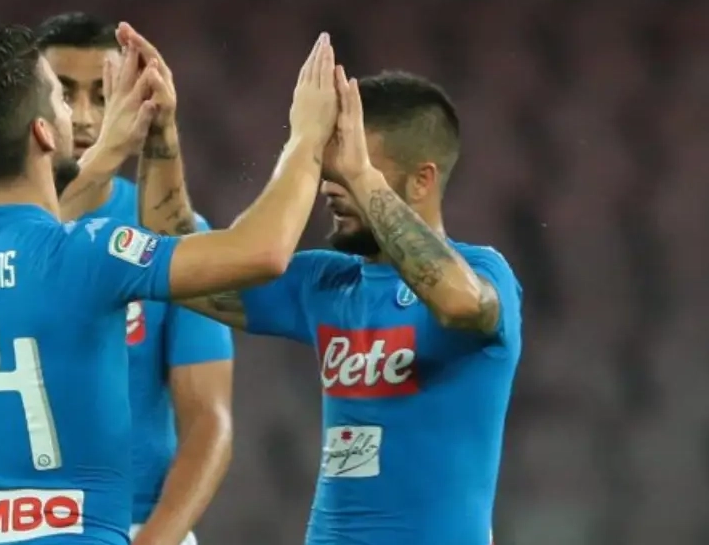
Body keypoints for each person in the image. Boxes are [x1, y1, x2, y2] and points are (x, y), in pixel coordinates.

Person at [0, 26, 344, 545]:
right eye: (61, 98)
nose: (78, 117)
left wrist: (110, 148)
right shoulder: (93, 252)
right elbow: (264, 252)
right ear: (43, 132)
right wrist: (307, 138)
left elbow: (35, 228)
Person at [180, 70, 522, 545]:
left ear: (422, 180)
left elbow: (458, 304)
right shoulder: (326, 282)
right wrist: (161, 142)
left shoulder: (484, 271)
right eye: (331, 169)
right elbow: (182, 273)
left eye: (352, 167)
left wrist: (362, 177)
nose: (330, 186)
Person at [34, 12, 232, 545]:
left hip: (137, 526)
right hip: (16, 525)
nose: (82, 117)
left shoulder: (171, 237)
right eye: (63, 94)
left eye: (104, 96)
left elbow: (209, 422)